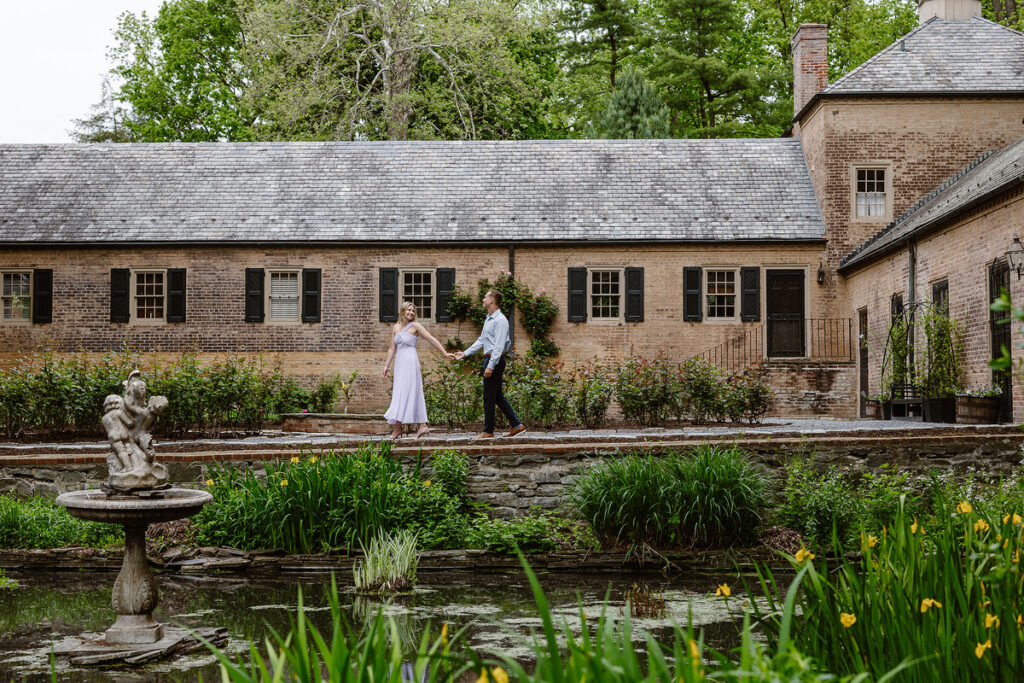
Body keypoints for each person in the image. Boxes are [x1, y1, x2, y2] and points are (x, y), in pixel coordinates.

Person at [454, 289, 526, 439]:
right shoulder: (489, 319)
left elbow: (499, 347)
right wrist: (465, 353)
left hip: (495, 360)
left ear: (492, 300)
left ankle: (488, 431)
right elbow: (481, 340)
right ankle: (517, 425)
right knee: (498, 396)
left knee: (488, 396)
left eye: (485, 297)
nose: (483, 299)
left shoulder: (500, 320)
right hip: (490, 358)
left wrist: (490, 366)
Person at [382, 301, 451, 439]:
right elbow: (391, 348)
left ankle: (422, 425)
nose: (411, 313)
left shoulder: (416, 326)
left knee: (413, 391)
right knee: (399, 392)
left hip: (411, 361)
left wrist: (445, 353)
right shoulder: (395, 327)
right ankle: (397, 428)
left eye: (413, 311)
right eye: (408, 310)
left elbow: (431, 339)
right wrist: (386, 365)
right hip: (400, 363)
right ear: (402, 312)